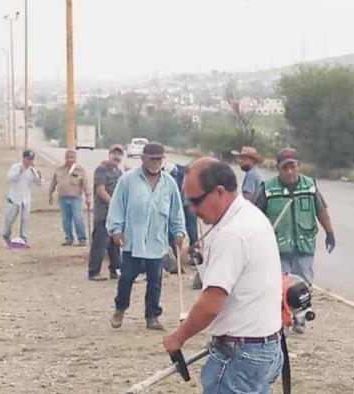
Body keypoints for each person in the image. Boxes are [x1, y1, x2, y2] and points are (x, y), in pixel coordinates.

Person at [162, 158, 283, 393]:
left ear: (219, 192)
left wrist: (178, 337)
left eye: (196, 201)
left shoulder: (232, 234)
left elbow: (210, 306)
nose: (193, 210)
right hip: (265, 348)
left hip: (241, 356)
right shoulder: (251, 216)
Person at [107, 142, 186, 331]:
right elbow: (117, 206)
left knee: (155, 280)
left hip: (156, 240)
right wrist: (116, 229)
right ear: (143, 159)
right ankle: (120, 309)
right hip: (133, 240)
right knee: (127, 277)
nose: (156, 163)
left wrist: (179, 231)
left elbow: (176, 211)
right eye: (153, 159)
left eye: (159, 159)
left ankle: (152, 317)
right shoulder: (127, 180)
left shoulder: (169, 183)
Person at [254, 148, 336, 288]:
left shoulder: (309, 186)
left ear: (299, 166)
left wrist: (329, 233)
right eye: (285, 168)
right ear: (277, 168)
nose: (289, 171)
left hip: (304, 247)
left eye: (292, 166)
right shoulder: (267, 189)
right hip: (278, 250)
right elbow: (255, 218)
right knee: (281, 289)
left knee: (303, 289)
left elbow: (321, 211)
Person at [87, 144, 124, 281]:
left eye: (119, 154)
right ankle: (93, 272)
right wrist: (114, 204)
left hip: (114, 215)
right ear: (109, 154)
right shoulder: (101, 170)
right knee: (99, 243)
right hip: (103, 213)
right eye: (114, 153)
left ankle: (115, 270)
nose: (117, 156)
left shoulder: (118, 172)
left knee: (115, 243)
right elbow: (100, 190)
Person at [49, 150, 91, 246]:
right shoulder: (59, 170)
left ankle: (82, 239)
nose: (69, 160)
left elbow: (85, 185)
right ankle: (68, 238)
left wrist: (88, 197)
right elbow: (53, 183)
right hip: (62, 198)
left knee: (78, 218)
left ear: (75, 159)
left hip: (75, 198)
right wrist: (50, 194)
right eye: (68, 158)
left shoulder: (80, 171)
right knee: (66, 220)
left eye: (72, 158)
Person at [2, 150, 42, 246]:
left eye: (31, 160)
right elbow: (10, 178)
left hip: (26, 198)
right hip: (14, 198)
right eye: (28, 159)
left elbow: (38, 183)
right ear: (23, 158)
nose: (29, 161)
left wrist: (39, 177)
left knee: (25, 220)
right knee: (10, 219)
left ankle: (23, 240)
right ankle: (6, 236)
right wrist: (19, 172)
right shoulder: (15, 167)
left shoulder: (32, 170)